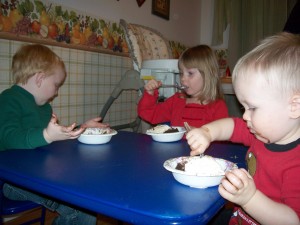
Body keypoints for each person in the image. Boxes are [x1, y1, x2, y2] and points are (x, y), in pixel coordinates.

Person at [186, 32, 300, 225]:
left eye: (252, 108)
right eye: (243, 107)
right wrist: (208, 132)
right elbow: (232, 125)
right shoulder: (261, 133)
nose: (245, 116)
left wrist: (249, 199)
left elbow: (293, 220)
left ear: (294, 106)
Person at [0, 44, 109, 225]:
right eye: (56, 85)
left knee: (84, 196)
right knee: (80, 211)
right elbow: (8, 137)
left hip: (40, 174)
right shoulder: (8, 99)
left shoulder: (44, 107)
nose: (57, 92)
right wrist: (46, 135)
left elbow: (54, 136)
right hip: (11, 181)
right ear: (40, 78)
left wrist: (83, 128)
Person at [137, 45, 228, 128]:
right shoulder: (177, 101)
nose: (183, 79)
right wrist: (149, 94)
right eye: (181, 73)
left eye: (190, 73)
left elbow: (222, 139)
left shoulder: (218, 107)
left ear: (208, 75)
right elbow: (149, 114)